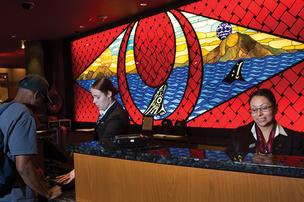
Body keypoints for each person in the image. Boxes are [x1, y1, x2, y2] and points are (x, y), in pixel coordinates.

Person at [56, 77, 130, 184]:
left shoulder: (117, 116)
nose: (93, 101)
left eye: (97, 97)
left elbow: (104, 147)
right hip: (102, 165)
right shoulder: (109, 111)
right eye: (93, 97)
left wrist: (80, 170)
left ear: (109, 94)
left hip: (112, 170)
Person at [0, 74, 61, 201]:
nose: (41, 105)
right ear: (36, 96)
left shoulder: (4, 108)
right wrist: (47, 193)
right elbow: (23, 166)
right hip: (16, 193)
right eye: (43, 100)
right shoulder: (24, 115)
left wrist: (34, 170)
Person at [226, 88, 304, 161]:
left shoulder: (295, 139)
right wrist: (249, 161)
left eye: (264, 108)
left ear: (275, 108)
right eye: (254, 109)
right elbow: (228, 163)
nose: (259, 114)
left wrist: (277, 161)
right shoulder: (238, 135)